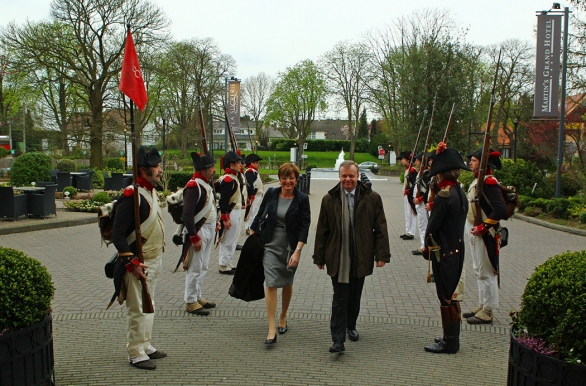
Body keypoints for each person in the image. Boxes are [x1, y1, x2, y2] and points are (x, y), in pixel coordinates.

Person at [313, 160, 391, 353]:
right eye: (344, 176)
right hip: (337, 256)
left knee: (354, 296)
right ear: (339, 177)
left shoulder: (372, 198)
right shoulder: (329, 199)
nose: (348, 179)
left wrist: (381, 255)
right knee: (339, 297)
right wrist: (319, 257)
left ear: (357, 176)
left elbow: (380, 228)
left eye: (351, 176)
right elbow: (322, 230)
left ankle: (351, 326)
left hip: (361, 254)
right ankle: (338, 340)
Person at [110, 146, 166, 370]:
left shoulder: (150, 191)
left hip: (154, 258)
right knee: (137, 308)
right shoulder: (131, 195)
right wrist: (131, 263)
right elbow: (118, 233)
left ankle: (145, 344)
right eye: (156, 166)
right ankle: (135, 352)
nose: (160, 170)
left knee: (149, 304)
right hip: (137, 263)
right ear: (143, 169)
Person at [249, 163, 311, 344]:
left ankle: (283, 315)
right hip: (270, 242)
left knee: (286, 281)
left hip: (291, 246)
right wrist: (253, 237)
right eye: (284, 177)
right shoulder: (271, 193)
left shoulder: (302, 199)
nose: (287, 181)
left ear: (296, 180)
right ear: (280, 178)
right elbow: (260, 214)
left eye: (291, 178)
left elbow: (304, 226)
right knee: (270, 284)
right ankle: (271, 328)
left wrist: (298, 251)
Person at [421, 144, 470, 354]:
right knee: (451, 296)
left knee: (446, 297)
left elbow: (432, 229)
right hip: (457, 249)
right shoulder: (458, 191)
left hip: (444, 252)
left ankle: (450, 342)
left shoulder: (444, 195)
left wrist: (426, 249)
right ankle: (450, 337)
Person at [464, 147, 507, 324]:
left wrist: (483, 226)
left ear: (482, 164)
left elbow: (500, 209)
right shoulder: (478, 181)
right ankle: (482, 304)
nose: (470, 163)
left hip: (485, 233)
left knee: (486, 271)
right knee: (478, 269)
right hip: (476, 230)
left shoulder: (489, 182)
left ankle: (488, 310)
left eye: (473, 160)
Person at [181, 152, 220, 316]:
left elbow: (209, 207)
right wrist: (193, 236)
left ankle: (197, 296)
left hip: (208, 228)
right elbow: (187, 214)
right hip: (199, 231)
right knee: (195, 267)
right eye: (211, 167)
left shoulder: (205, 184)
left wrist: (215, 221)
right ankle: (190, 301)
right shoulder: (193, 186)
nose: (213, 169)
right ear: (204, 170)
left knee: (203, 265)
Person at [217, 151, 244, 274]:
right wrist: (225, 217)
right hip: (230, 212)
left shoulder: (233, 177)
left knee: (233, 238)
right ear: (231, 165)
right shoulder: (228, 179)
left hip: (235, 211)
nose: (241, 164)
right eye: (238, 162)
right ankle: (223, 264)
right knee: (227, 239)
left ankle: (228, 262)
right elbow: (224, 201)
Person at [412, 152, 433, 255]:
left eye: (417, 160)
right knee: (422, 225)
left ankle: (424, 246)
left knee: (423, 225)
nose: (415, 162)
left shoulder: (426, 174)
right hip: (420, 203)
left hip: (423, 203)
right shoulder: (421, 173)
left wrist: (420, 198)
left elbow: (428, 190)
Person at [243, 153, 264, 234]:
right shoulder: (250, 172)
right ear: (252, 163)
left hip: (256, 195)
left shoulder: (254, 172)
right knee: (251, 212)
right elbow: (250, 185)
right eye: (256, 162)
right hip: (254, 195)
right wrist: (251, 195)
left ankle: (252, 227)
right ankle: (249, 227)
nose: (258, 164)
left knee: (254, 211)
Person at [398, 150, 417, 240]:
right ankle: (407, 231)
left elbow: (415, 184)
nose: (402, 161)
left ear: (408, 160)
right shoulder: (408, 170)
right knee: (407, 214)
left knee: (411, 214)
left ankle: (411, 232)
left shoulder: (412, 171)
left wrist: (408, 191)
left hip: (410, 195)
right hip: (406, 194)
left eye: (403, 159)